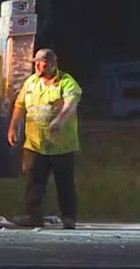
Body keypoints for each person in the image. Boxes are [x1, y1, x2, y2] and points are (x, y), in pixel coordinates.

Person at [7, 48, 83, 229]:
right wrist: (12, 126)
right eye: (37, 63)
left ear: (53, 64)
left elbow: (71, 103)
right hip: (35, 143)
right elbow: (20, 105)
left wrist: (60, 120)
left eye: (44, 63)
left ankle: (69, 218)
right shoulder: (31, 82)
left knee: (64, 183)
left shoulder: (66, 82)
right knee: (34, 183)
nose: (40, 66)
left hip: (61, 145)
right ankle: (33, 216)